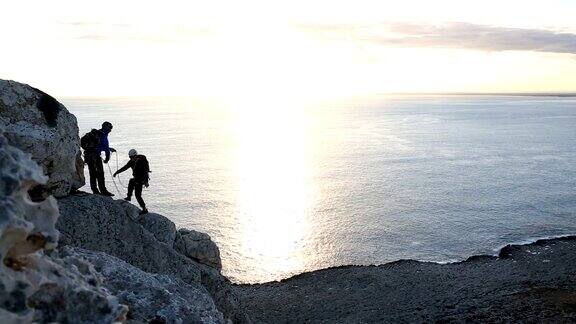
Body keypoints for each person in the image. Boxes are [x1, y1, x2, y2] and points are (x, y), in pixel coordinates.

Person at [80, 122, 116, 196]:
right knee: (100, 174)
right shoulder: (103, 135)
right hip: (95, 156)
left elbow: (99, 146)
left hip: (88, 156)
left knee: (92, 174)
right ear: (107, 128)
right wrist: (107, 158)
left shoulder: (96, 134)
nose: (110, 130)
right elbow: (105, 147)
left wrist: (109, 149)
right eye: (110, 128)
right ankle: (103, 191)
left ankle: (95, 190)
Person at [113, 149, 150, 215]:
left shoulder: (141, 161)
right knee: (131, 182)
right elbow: (125, 167)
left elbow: (145, 172)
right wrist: (117, 172)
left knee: (137, 195)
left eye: (131, 157)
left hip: (141, 179)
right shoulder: (131, 161)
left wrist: (145, 182)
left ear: (135, 156)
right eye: (130, 157)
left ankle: (144, 209)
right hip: (137, 178)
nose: (130, 158)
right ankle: (129, 197)